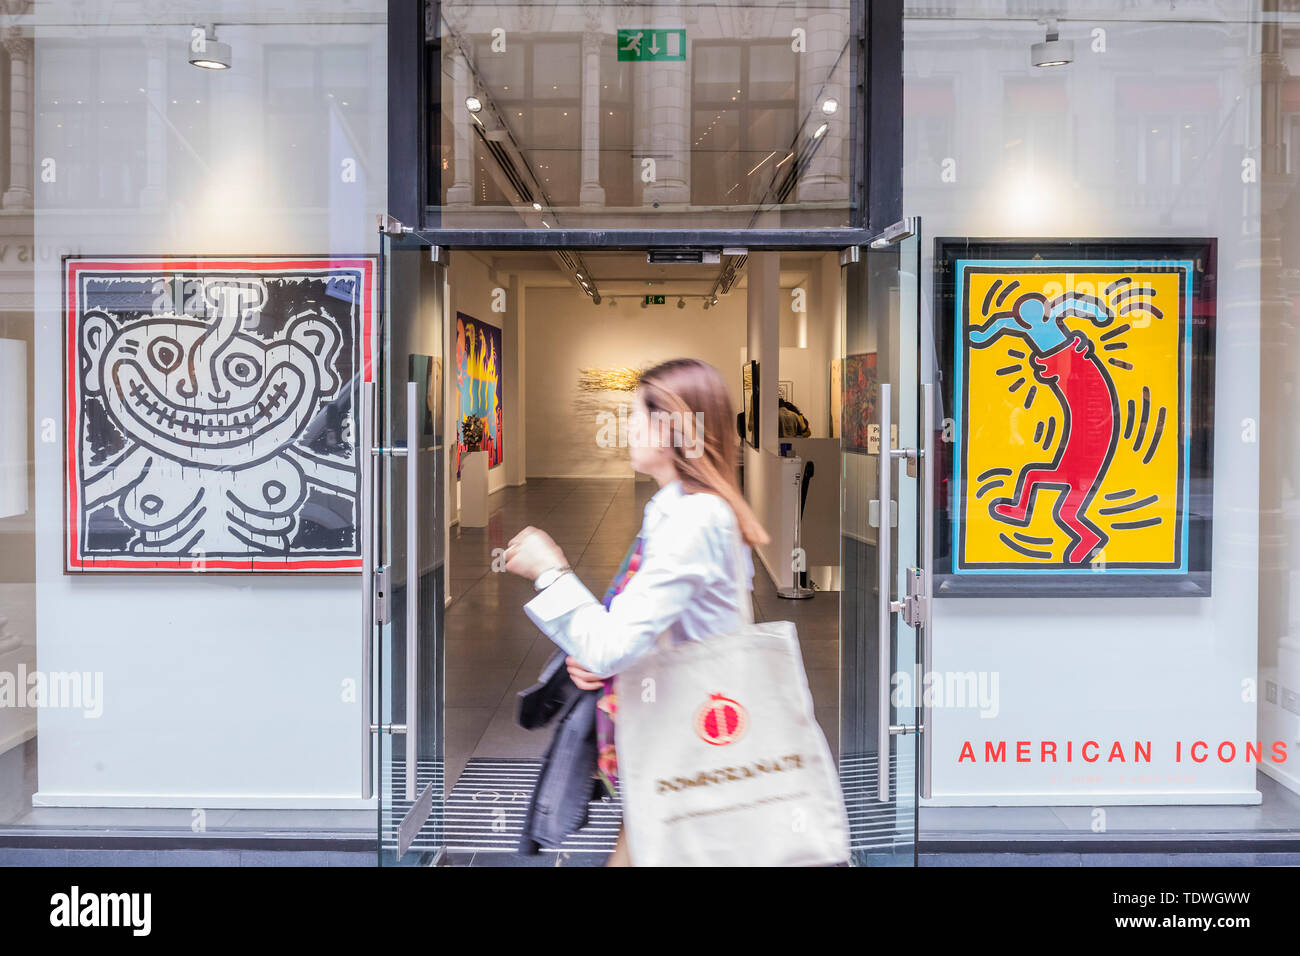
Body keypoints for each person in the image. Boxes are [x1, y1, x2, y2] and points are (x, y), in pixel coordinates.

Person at [504, 358, 770, 866]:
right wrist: (609, 657)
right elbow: (647, 626)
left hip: (694, 737)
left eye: (635, 416)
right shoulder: (678, 507)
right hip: (678, 730)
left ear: (672, 427)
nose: (625, 427)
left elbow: (613, 643)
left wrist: (551, 570)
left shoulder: (695, 518)